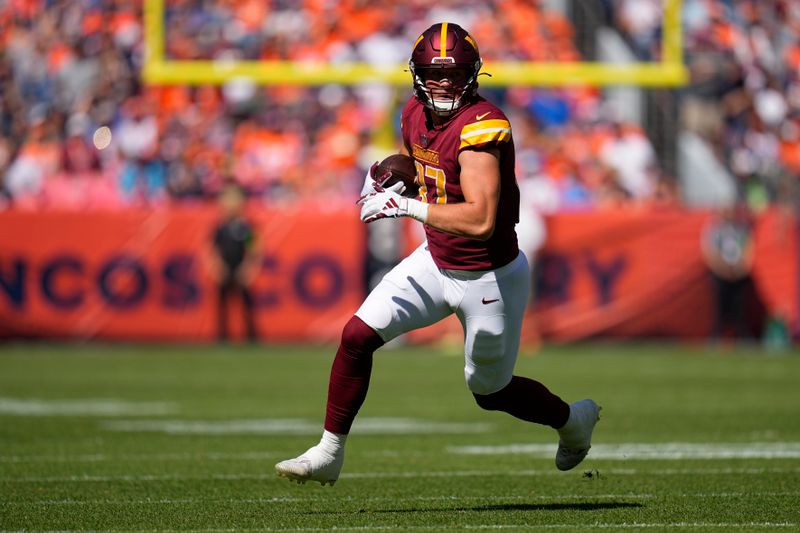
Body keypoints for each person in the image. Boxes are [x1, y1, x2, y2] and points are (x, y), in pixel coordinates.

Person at [275, 22, 600, 486]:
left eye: (455, 73)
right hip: (436, 259)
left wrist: (405, 206)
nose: (444, 83)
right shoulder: (412, 112)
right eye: (434, 73)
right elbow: (430, 170)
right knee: (356, 336)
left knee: (489, 390)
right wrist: (394, 173)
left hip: (488, 275)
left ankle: (572, 421)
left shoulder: (483, 125)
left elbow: (481, 218)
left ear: (473, 74)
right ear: (417, 74)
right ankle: (329, 451)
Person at [209, 182, 259, 342]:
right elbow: (213, 248)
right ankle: (222, 335)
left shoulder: (245, 226)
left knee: (246, 303)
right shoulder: (220, 227)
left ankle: (251, 334)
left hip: (240, 266)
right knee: (222, 303)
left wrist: (248, 267)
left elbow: (254, 248)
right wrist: (217, 266)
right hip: (226, 267)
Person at [701, 203, 755, 340]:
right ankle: (717, 335)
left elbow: (748, 249)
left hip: (739, 274)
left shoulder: (741, 229)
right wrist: (724, 269)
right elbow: (710, 253)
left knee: (740, 308)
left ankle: (742, 335)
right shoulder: (713, 229)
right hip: (720, 274)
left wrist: (739, 269)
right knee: (720, 308)